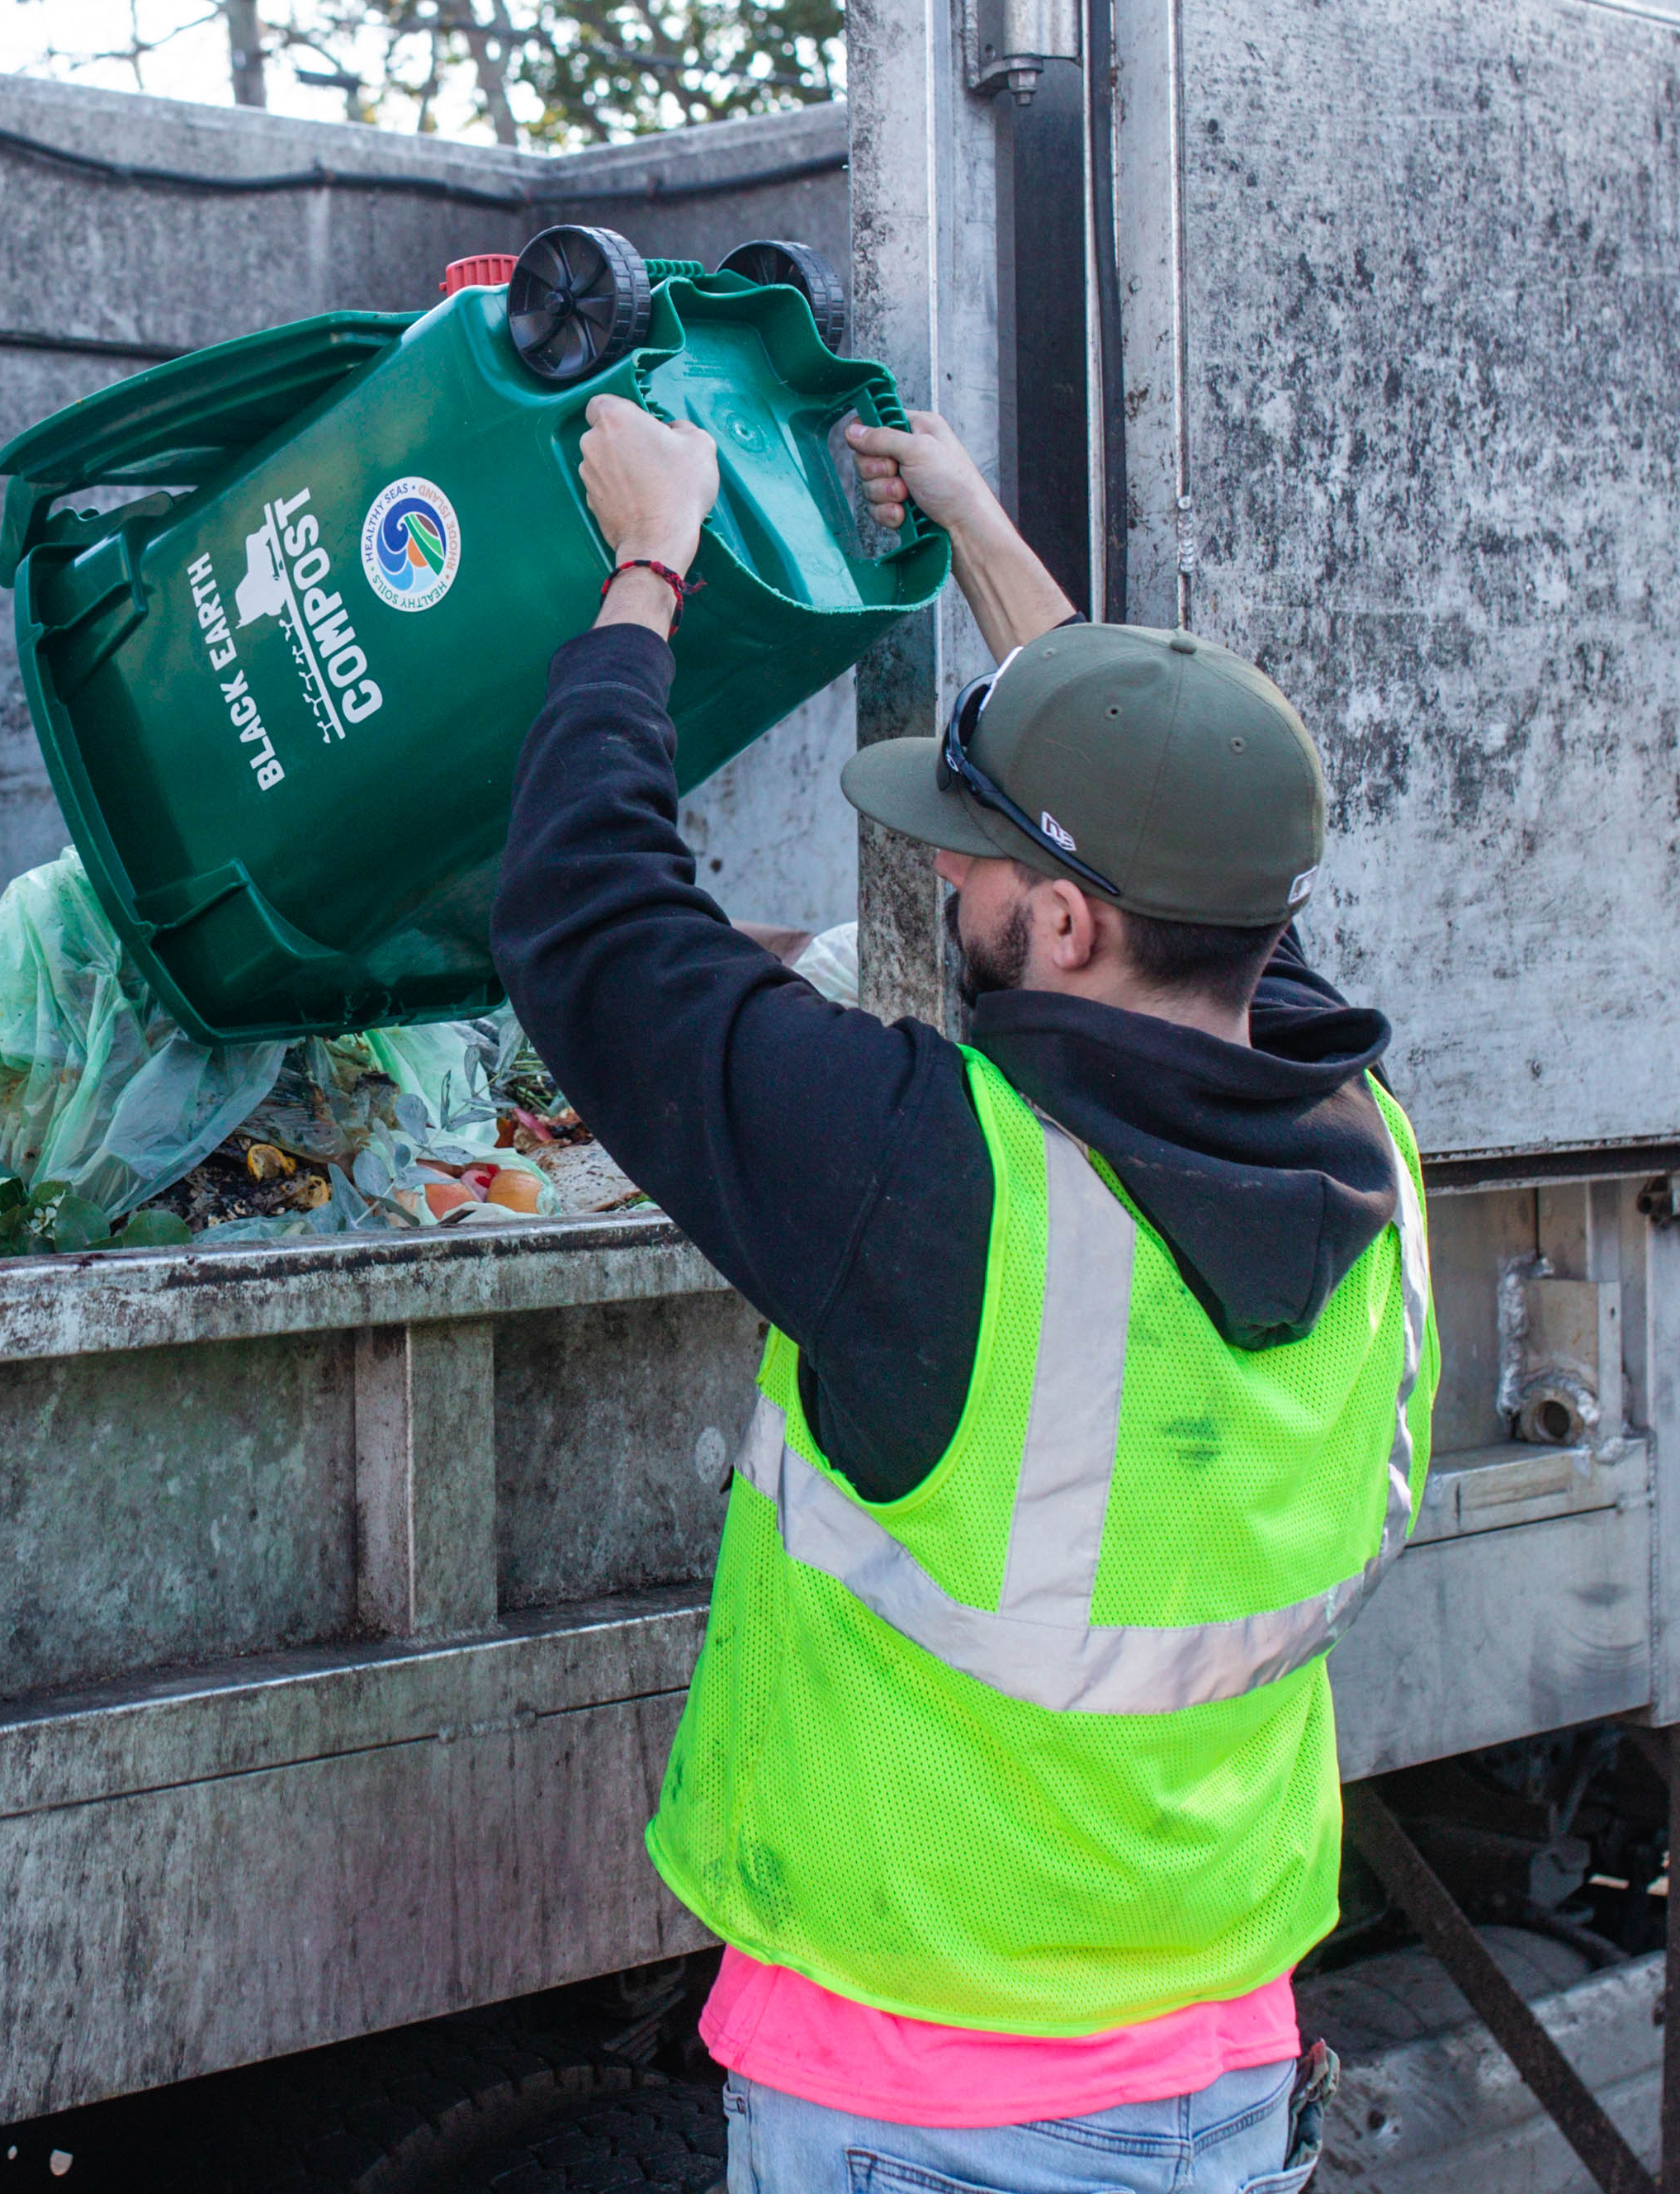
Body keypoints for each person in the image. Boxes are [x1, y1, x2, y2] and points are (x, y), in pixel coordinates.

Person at [490, 394, 1436, 2194]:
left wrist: (648, 558)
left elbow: (588, 916)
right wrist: (976, 522)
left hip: (927, 2106)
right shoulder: (1362, 1138)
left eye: (972, 853)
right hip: (1224, 2058)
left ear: (1066, 927)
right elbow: (1186, 832)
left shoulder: (937, 1187)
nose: (939, 868)